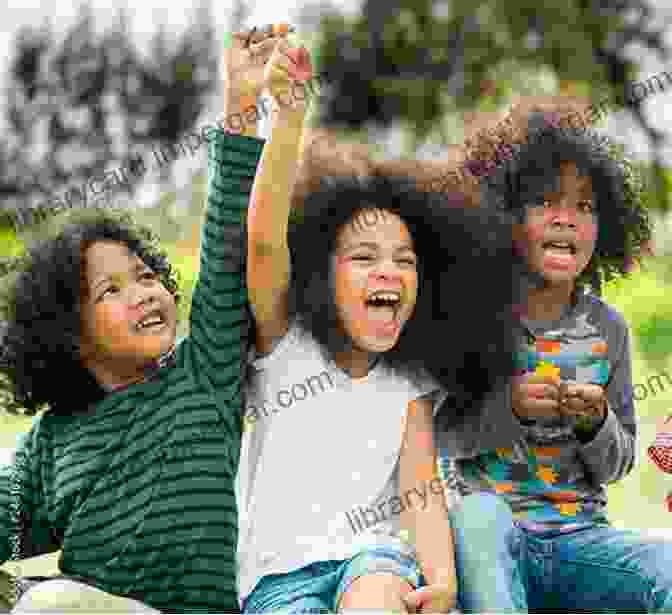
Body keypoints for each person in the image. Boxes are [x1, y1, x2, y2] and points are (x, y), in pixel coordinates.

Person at [236, 30, 524, 614]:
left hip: (375, 559)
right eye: (364, 258)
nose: (387, 271)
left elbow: (421, 491)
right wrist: (288, 119)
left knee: (376, 595)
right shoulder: (284, 343)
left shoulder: (411, 380)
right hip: (276, 580)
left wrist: (441, 578)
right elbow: (263, 241)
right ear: (320, 274)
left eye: (404, 260)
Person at [0, 27, 278, 613]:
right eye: (112, 289)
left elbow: (227, 249)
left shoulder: (202, 374)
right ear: (69, 334)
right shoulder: (51, 443)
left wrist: (241, 111)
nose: (145, 291)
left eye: (147, 275)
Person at [435, 102, 670, 613]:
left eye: (585, 207)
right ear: (504, 217)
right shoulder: (473, 320)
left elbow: (620, 463)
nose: (567, 219)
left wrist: (596, 423)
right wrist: (508, 409)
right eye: (546, 203)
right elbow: (439, 435)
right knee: (476, 517)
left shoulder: (609, 329)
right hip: (491, 542)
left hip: (580, 543)